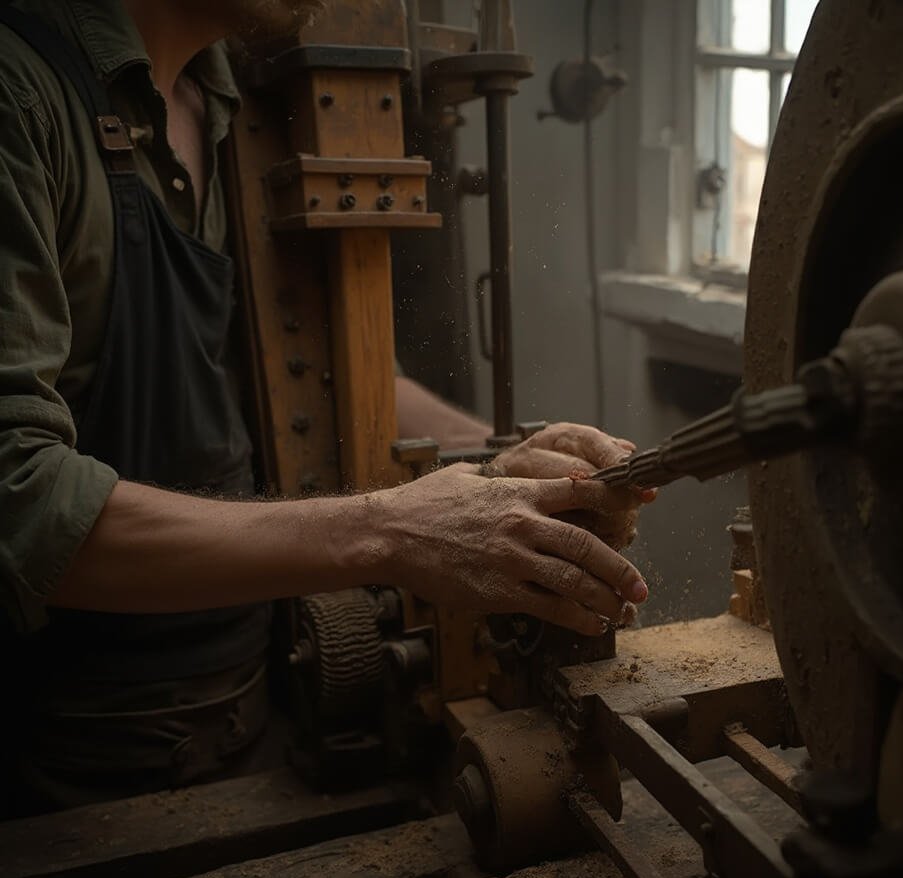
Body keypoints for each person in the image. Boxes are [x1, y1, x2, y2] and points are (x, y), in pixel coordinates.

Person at [0, 0, 651, 814]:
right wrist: (388, 530)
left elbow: (293, 369)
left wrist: (500, 472)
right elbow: (17, 503)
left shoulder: (224, 105)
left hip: (256, 693)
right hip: (63, 756)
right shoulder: (20, 96)